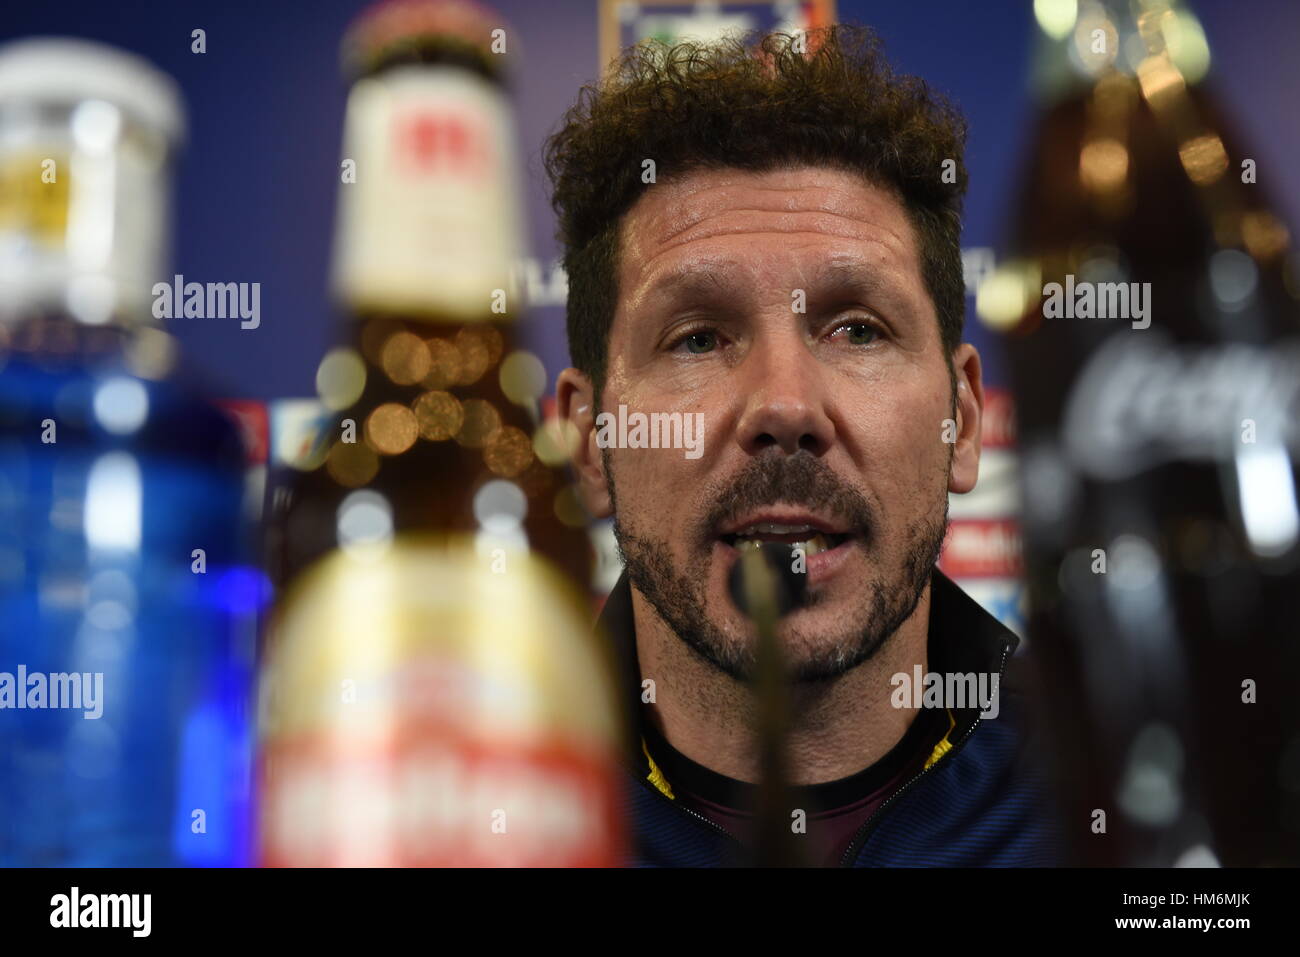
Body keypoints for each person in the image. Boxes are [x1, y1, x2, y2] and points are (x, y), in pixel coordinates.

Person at [546, 23, 1064, 867]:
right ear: (588, 441)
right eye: (698, 338)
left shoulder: (1115, 790)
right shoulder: (466, 817)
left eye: (857, 329)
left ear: (962, 422)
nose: (785, 405)